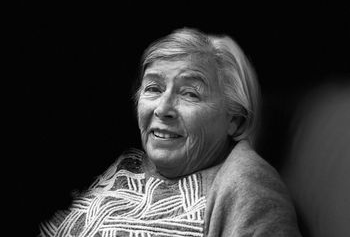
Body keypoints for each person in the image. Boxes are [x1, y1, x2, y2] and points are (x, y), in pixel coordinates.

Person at [39, 28, 301, 236]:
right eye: (153, 88)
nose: (163, 109)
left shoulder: (246, 184)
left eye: (190, 93)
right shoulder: (122, 159)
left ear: (234, 120)